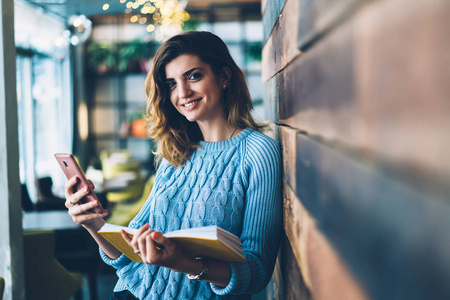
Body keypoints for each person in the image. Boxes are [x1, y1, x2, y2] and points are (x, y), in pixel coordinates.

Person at [64, 31, 282, 300]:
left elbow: (258, 271)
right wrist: (92, 222)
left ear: (224, 77)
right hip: (132, 293)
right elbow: (130, 256)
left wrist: (183, 263)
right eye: (170, 84)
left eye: (193, 76)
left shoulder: (259, 151)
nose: (183, 93)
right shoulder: (175, 154)